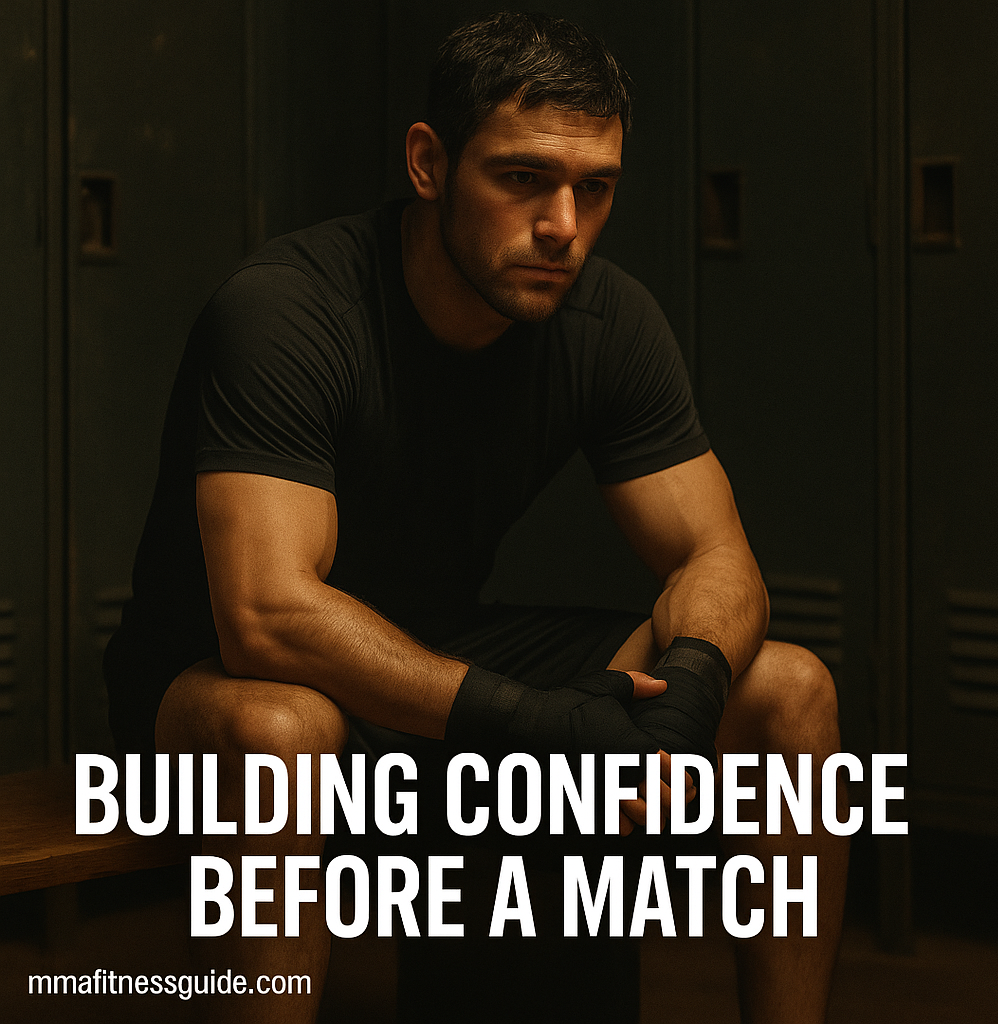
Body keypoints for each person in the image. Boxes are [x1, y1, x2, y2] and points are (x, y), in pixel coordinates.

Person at [104, 10, 847, 1023]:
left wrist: (685, 701)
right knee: (284, 729)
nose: (563, 227)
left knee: (791, 689)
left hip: (437, 646)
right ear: (428, 164)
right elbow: (266, 614)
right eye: (522, 179)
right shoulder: (287, 310)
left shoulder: (605, 320)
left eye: (595, 189)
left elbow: (716, 560)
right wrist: (541, 724)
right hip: (219, 687)